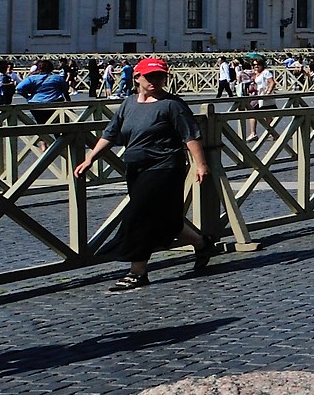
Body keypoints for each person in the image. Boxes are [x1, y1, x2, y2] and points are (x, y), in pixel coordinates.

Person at [73, 58, 212, 292]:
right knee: (163, 219)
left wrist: (201, 164)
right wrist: (90, 157)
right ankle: (201, 243)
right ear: (137, 77)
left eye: (160, 77)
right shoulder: (128, 104)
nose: (155, 81)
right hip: (136, 168)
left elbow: (190, 135)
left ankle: (137, 272)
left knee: (138, 215)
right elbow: (111, 133)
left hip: (165, 166)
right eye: (150, 77)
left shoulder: (172, 104)